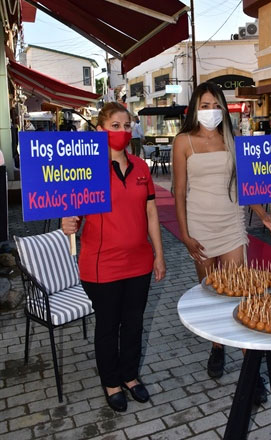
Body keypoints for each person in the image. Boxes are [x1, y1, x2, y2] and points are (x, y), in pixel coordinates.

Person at [171, 82, 271, 405]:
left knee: (241, 295)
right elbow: (179, 191)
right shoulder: (183, 141)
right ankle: (217, 347)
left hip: (231, 223)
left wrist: (263, 216)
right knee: (211, 293)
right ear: (195, 109)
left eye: (215, 105)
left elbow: (245, 182)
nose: (210, 111)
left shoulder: (232, 139)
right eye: (204, 105)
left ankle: (251, 371)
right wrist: (184, 234)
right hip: (199, 227)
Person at [61, 102, 166, 412]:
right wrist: (68, 222)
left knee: (133, 323)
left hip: (139, 262)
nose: (122, 131)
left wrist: (159, 255)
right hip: (101, 264)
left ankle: (130, 376)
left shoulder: (141, 167)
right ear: (100, 130)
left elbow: (151, 212)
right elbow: (72, 212)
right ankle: (111, 382)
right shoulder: (86, 169)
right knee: (108, 326)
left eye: (126, 125)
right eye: (115, 126)